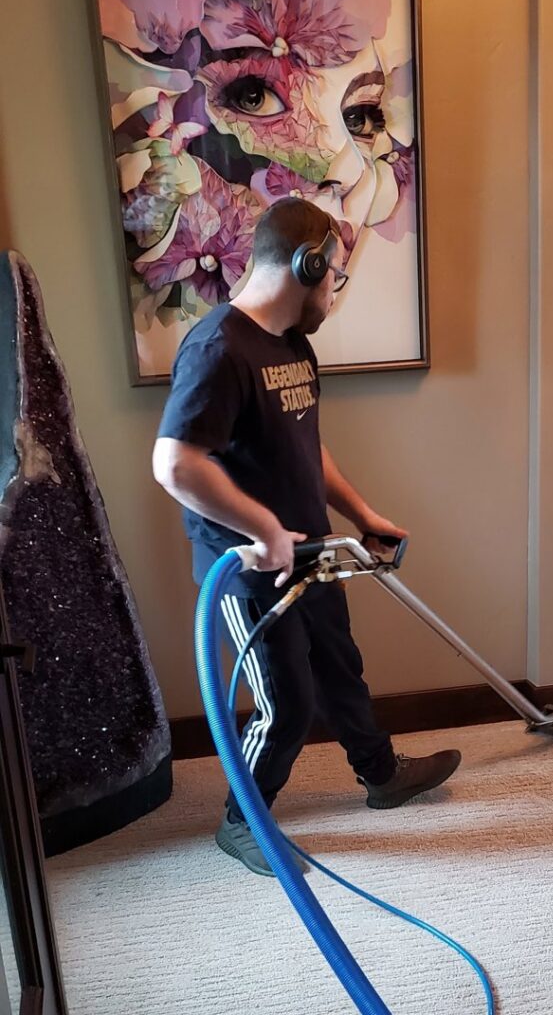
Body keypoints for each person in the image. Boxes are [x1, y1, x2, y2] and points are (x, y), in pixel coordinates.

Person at [152, 196, 461, 877]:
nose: (334, 292)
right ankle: (243, 822)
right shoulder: (217, 349)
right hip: (247, 567)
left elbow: (305, 445)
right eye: (335, 277)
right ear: (308, 263)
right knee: (286, 702)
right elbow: (176, 463)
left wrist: (360, 513)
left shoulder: (291, 344)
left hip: (309, 549)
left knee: (338, 669)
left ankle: (381, 777)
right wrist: (263, 529)